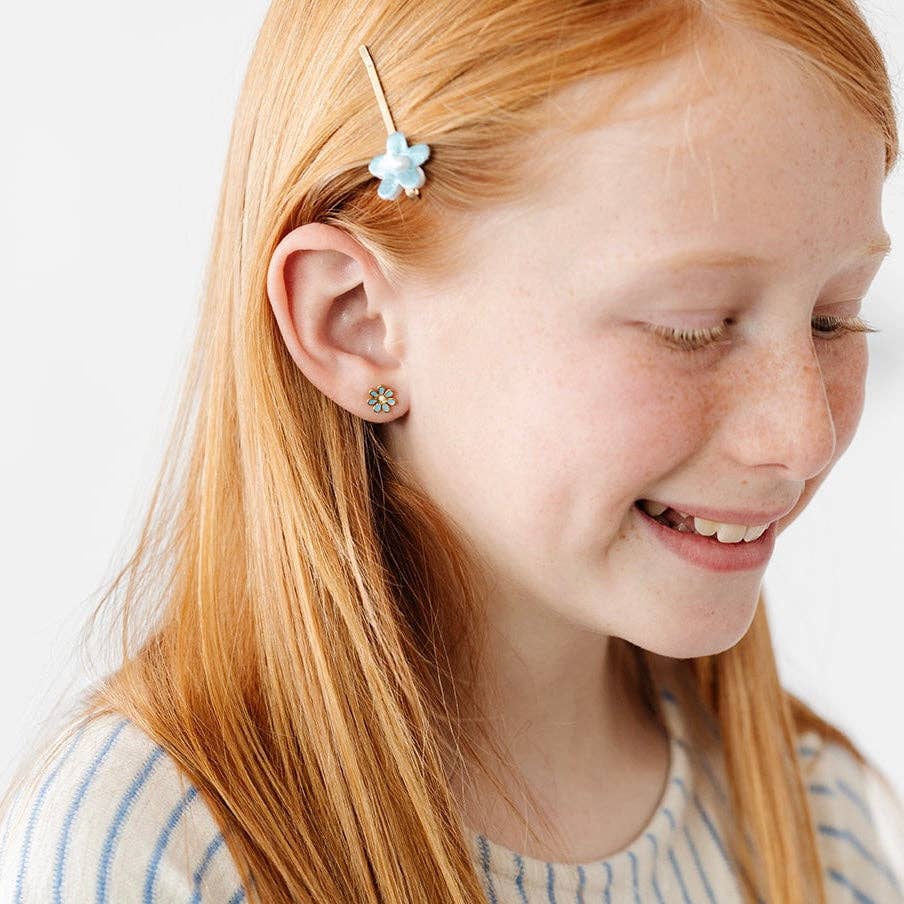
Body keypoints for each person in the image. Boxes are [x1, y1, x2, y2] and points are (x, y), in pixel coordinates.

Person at [1, 1, 902, 901]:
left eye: (833, 319)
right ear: (354, 323)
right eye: (691, 326)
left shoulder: (811, 816)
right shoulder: (152, 854)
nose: (805, 437)